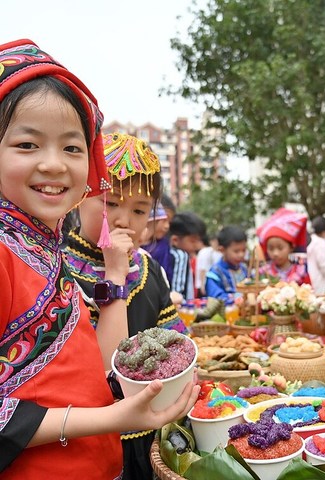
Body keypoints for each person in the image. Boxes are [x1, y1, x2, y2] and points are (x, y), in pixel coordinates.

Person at [0, 39, 199, 478]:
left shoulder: (45, 252)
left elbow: (97, 370)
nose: (53, 164)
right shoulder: (21, 253)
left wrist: (115, 276)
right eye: (28, 144)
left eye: (72, 148)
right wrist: (115, 417)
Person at [63, 133, 187, 480]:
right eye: (111, 204)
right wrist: (115, 273)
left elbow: (177, 342)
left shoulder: (149, 268)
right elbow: (104, 371)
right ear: (78, 198)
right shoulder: (57, 269)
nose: (123, 220)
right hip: (88, 436)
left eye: (138, 210)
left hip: (152, 436)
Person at [256, 212, 311, 285]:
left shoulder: (300, 270)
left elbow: (309, 292)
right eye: (271, 249)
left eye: (280, 248)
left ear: (291, 247)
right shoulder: (264, 272)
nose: (275, 253)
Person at [169, 211, 206, 300]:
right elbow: (177, 292)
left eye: (198, 241)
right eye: (193, 241)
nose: (196, 245)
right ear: (175, 240)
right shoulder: (181, 256)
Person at [205, 225, 248, 301]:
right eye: (236, 251)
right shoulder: (215, 273)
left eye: (244, 250)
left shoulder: (244, 269)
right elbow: (216, 297)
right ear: (222, 250)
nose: (241, 255)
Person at [195, 233, 222, 297]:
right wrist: (202, 286)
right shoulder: (206, 252)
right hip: (204, 284)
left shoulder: (218, 253)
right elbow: (203, 269)